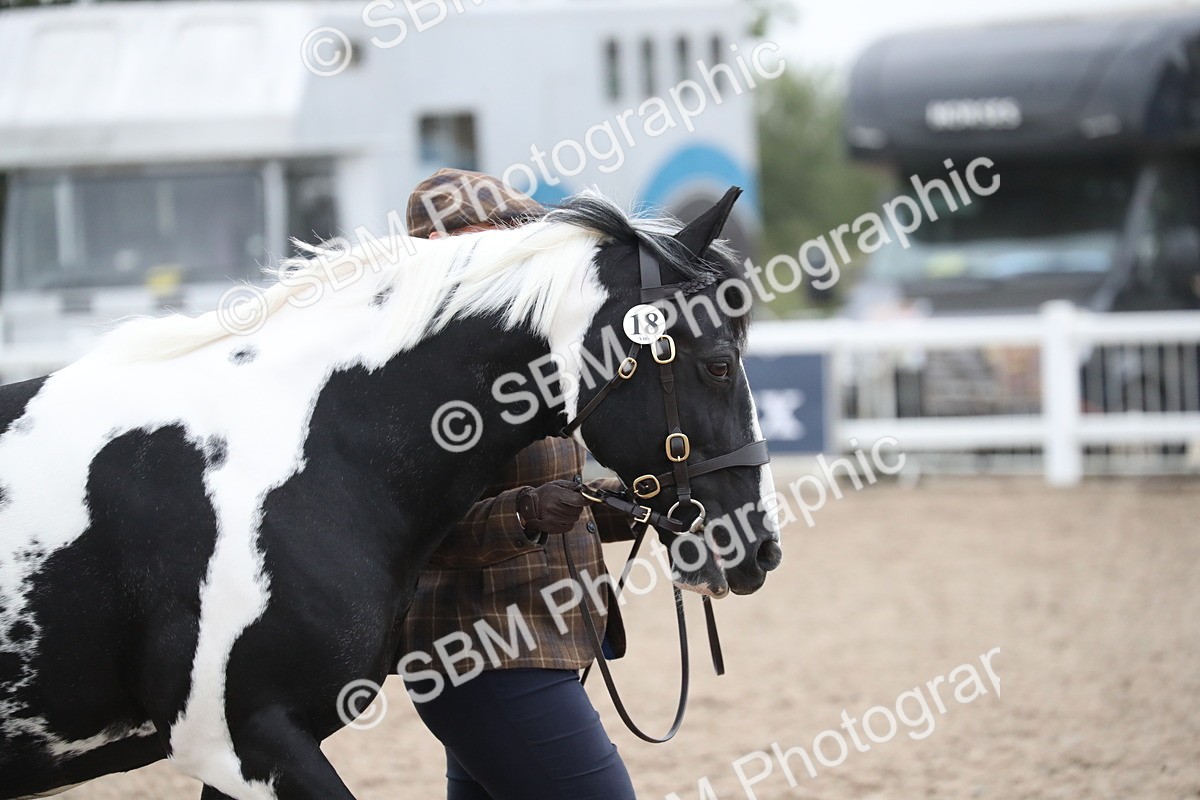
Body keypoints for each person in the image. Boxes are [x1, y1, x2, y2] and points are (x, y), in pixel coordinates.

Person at [395, 168, 639, 800]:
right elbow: (419, 534)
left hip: (536, 647)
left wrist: (637, 507)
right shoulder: (422, 377)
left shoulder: (523, 355)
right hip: (482, 653)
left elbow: (566, 501)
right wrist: (528, 511)